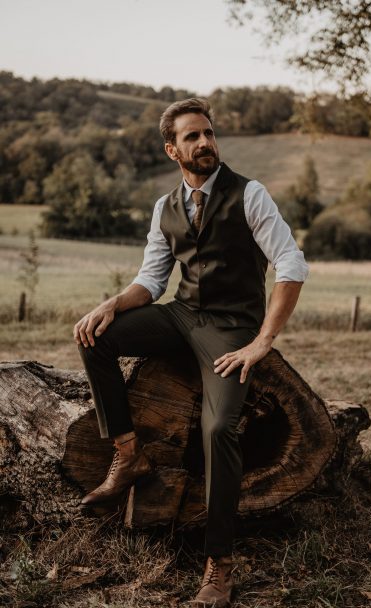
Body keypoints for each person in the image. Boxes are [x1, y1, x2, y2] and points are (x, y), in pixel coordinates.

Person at [73, 97, 309, 608]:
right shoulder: (165, 207)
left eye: (208, 133)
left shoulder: (250, 194)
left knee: (219, 428)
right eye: (192, 137)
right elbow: (151, 280)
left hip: (231, 329)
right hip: (181, 315)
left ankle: (218, 566)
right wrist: (112, 304)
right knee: (94, 335)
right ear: (172, 149)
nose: (205, 143)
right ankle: (128, 454)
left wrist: (263, 341)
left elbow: (291, 265)